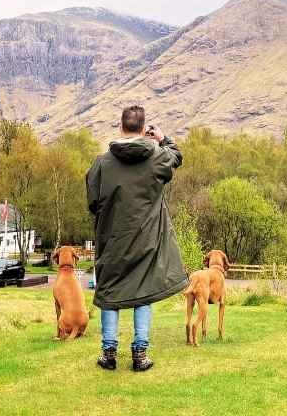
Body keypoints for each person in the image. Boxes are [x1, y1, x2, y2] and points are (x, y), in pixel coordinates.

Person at [86, 105, 187, 372]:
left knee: (109, 292)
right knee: (143, 291)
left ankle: (109, 354)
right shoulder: (156, 157)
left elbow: (93, 202)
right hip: (147, 240)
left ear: (120, 126)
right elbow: (176, 157)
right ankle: (139, 355)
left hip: (112, 239)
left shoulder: (102, 163)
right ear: (144, 129)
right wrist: (162, 138)